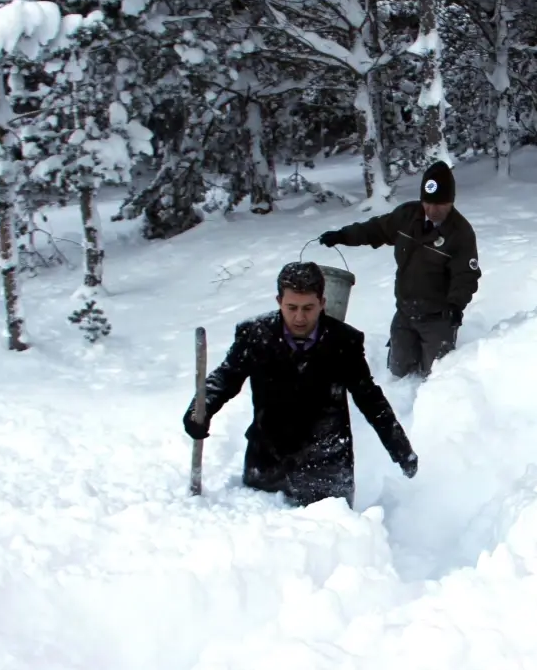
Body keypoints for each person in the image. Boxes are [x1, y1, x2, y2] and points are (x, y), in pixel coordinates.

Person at [182, 262, 418, 508]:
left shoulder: (343, 341)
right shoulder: (254, 335)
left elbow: (369, 398)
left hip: (328, 465)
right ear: (278, 301)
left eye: (308, 308)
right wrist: (200, 409)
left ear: (322, 303)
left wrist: (399, 447)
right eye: (291, 307)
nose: (300, 317)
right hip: (268, 463)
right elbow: (224, 378)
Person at [317, 159, 481, 379]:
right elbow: (374, 229)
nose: (432, 210)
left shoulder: (460, 233)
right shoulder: (407, 216)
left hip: (438, 317)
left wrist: (454, 307)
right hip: (405, 312)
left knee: (438, 377)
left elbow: (466, 276)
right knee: (398, 373)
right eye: (427, 203)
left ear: (451, 202)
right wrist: (342, 236)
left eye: (439, 205)